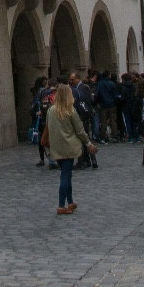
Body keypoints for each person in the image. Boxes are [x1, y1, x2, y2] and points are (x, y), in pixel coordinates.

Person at [45, 82, 93, 216]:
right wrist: (88, 143)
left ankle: (70, 201)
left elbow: (49, 128)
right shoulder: (70, 110)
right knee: (65, 176)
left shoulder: (51, 110)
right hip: (69, 146)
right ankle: (61, 205)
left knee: (67, 174)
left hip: (56, 147)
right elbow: (80, 130)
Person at [97, 70, 121, 142]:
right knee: (113, 120)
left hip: (103, 105)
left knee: (103, 121)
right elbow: (115, 94)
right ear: (108, 75)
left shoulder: (99, 83)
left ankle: (103, 136)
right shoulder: (112, 83)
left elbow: (98, 94)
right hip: (112, 104)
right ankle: (115, 136)